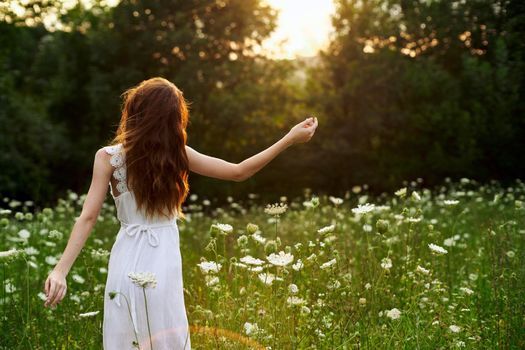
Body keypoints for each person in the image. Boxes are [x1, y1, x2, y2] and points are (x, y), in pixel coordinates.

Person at [42, 77, 318, 349]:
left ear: (135, 112)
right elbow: (239, 171)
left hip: (125, 255)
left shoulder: (108, 157)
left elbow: (88, 217)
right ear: (173, 119)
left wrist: (60, 271)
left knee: (125, 334)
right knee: (166, 336)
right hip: (162, 257)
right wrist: (288, 139)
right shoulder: (179, 155)